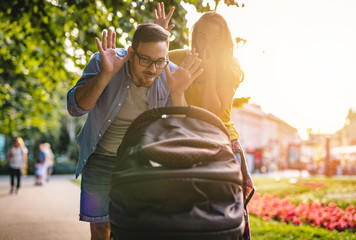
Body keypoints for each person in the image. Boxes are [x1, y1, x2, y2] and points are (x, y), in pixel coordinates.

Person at [67, 23, 203, 239]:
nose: (152, 69)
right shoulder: (105, 61)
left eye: (160, 61)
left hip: (140, 162)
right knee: (101, 228)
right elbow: (75, 109)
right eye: (145, 60)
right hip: (100, 158)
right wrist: (105, 75)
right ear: (131, 53)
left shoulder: (171, 76)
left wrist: (177, 93)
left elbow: (179, 136)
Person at [154, 3, 255, 239]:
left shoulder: (231, 66)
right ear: (194, 36)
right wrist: (160, 32)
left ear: (223, 41)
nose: (206, 44)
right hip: (188, 143)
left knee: (226, 219)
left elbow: (213, 111)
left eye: (214, 38)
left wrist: (209, 72)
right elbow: (153, 58)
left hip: (223, 144)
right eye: (201, 36)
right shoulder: (181, 57)